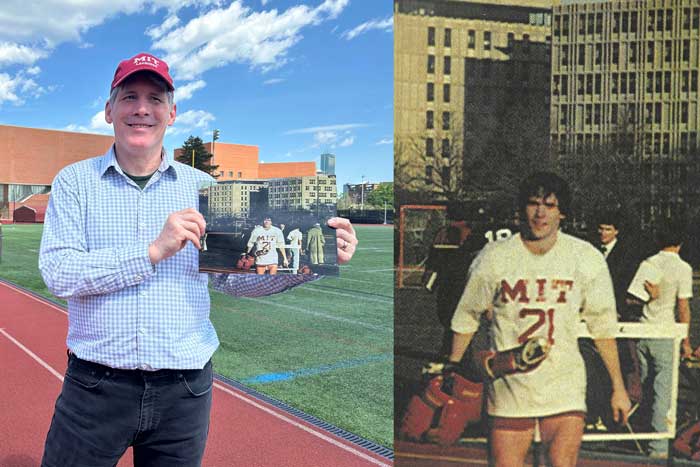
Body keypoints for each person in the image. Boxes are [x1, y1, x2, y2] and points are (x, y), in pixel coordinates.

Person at [38, 52, 358, 467]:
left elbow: (232, 278)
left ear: (172, 114)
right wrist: (152, 251)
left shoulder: (204, 188)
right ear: (108, 111)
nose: (141, 109)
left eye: (155, 99)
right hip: (97, 386)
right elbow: (59, 274)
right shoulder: (74, 182)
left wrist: (311, 263)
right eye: (129, 96)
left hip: (184, 392)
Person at [448, 172, 630, 467]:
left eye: (550, 205)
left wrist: (618, 387)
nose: (540, 212)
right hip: (509, 383)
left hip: (564, 383)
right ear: (521, 209)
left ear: (563, 212)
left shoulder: (584, 257)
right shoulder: (494, 257)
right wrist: (450, 371)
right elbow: (467, 316)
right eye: (533, 203)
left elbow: (603, 327)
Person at [627, 221, 693, 459]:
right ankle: (658, 450)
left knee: (647, 390)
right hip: (665, 334)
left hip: (643, 333)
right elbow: (683, 307)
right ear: (681, 243)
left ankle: (640, 438)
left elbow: (631, 299)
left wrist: (650, 298)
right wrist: (686, 342)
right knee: (663, 394)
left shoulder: (648, 263)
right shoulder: (683, 268)